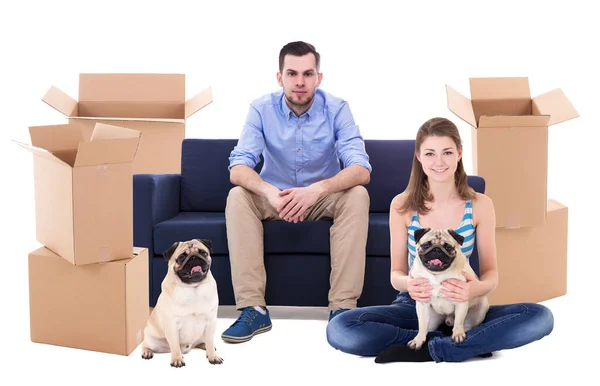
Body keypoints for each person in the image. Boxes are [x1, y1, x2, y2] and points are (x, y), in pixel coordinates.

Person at [326, 117, 554, 362]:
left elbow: (491, 275)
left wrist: (472, 289)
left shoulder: (480, 205)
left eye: (447, 152)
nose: (439, 162)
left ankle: (430, 348)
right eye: (430, 153)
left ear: (459, 153)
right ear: (418, 156)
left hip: (465, 302)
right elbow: (396, 274)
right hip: (417, 303)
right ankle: (463, 343)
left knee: (540, 316)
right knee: (340, 328)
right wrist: (409, 284)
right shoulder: (402, 205)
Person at [222, 41, 372, 344]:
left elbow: (361, 169)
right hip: (275, 198)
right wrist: (269, 192)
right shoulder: (261, 109)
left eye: (308, 73)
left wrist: (316, 190)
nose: (300, 82)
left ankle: (342, 310)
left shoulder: (337, 108)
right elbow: (238, 167)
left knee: (357, 194)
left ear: (319, 77)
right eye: (292, 73)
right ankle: (253, 310)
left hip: (321, 198)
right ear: (280, 78)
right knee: (238, 196)